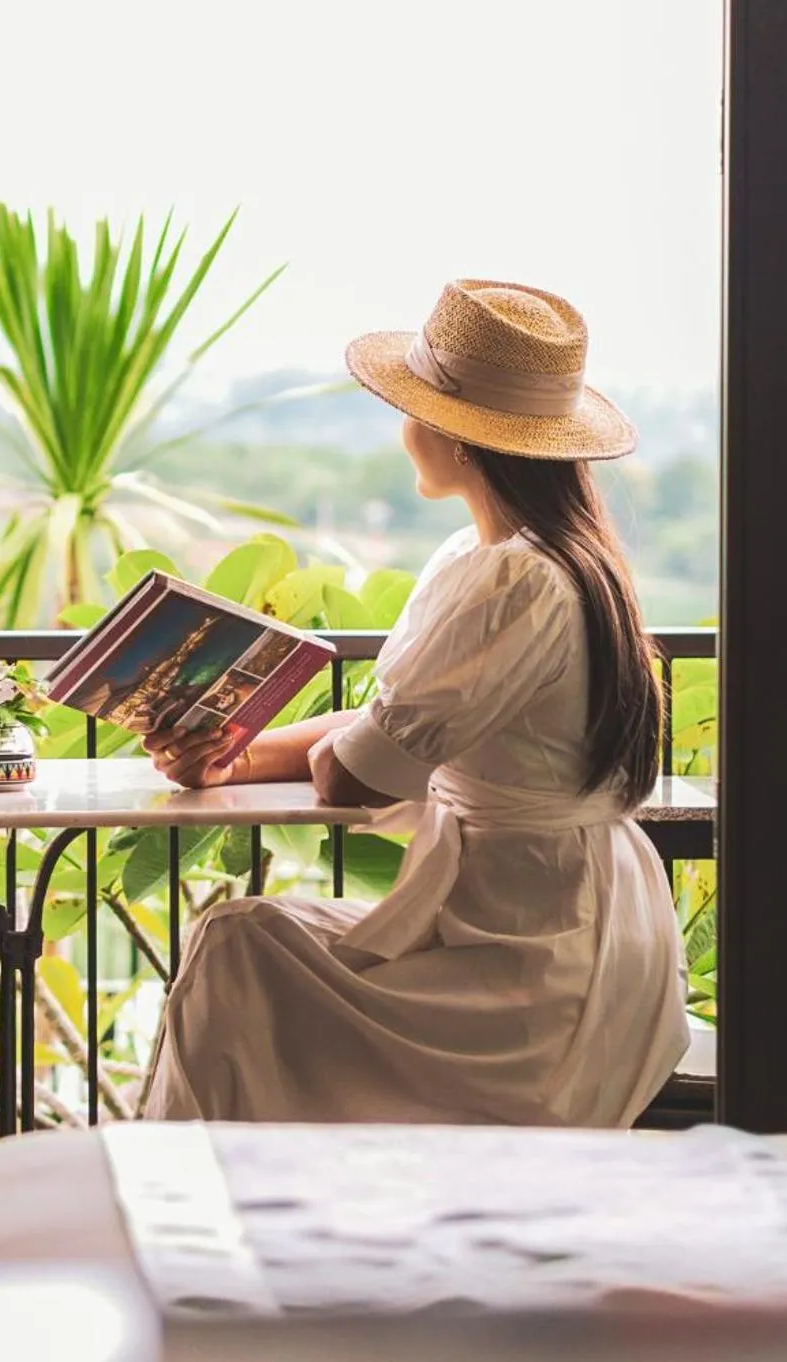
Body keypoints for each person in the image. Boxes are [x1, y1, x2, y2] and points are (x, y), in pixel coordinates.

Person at [140, 279, 688, 1127]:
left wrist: (283, 749)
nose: (403, 432)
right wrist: (237, 752)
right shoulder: (557, 563)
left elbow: (359, 772)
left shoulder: (507, 579)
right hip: (573, 929)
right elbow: (380, 732)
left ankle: (189, 1211)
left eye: (414, 408)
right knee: (246, 947)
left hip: (532, 968)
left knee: (237, 949)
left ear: (462, 440)